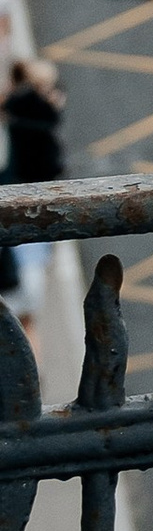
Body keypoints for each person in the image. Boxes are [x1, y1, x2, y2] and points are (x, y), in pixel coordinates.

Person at [2, 54, 67, 327]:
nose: (54, 96)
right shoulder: (30, 117)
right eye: (45, 88)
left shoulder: (18, 113)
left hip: (32, 203)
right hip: (25, 205)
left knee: (25, 318)